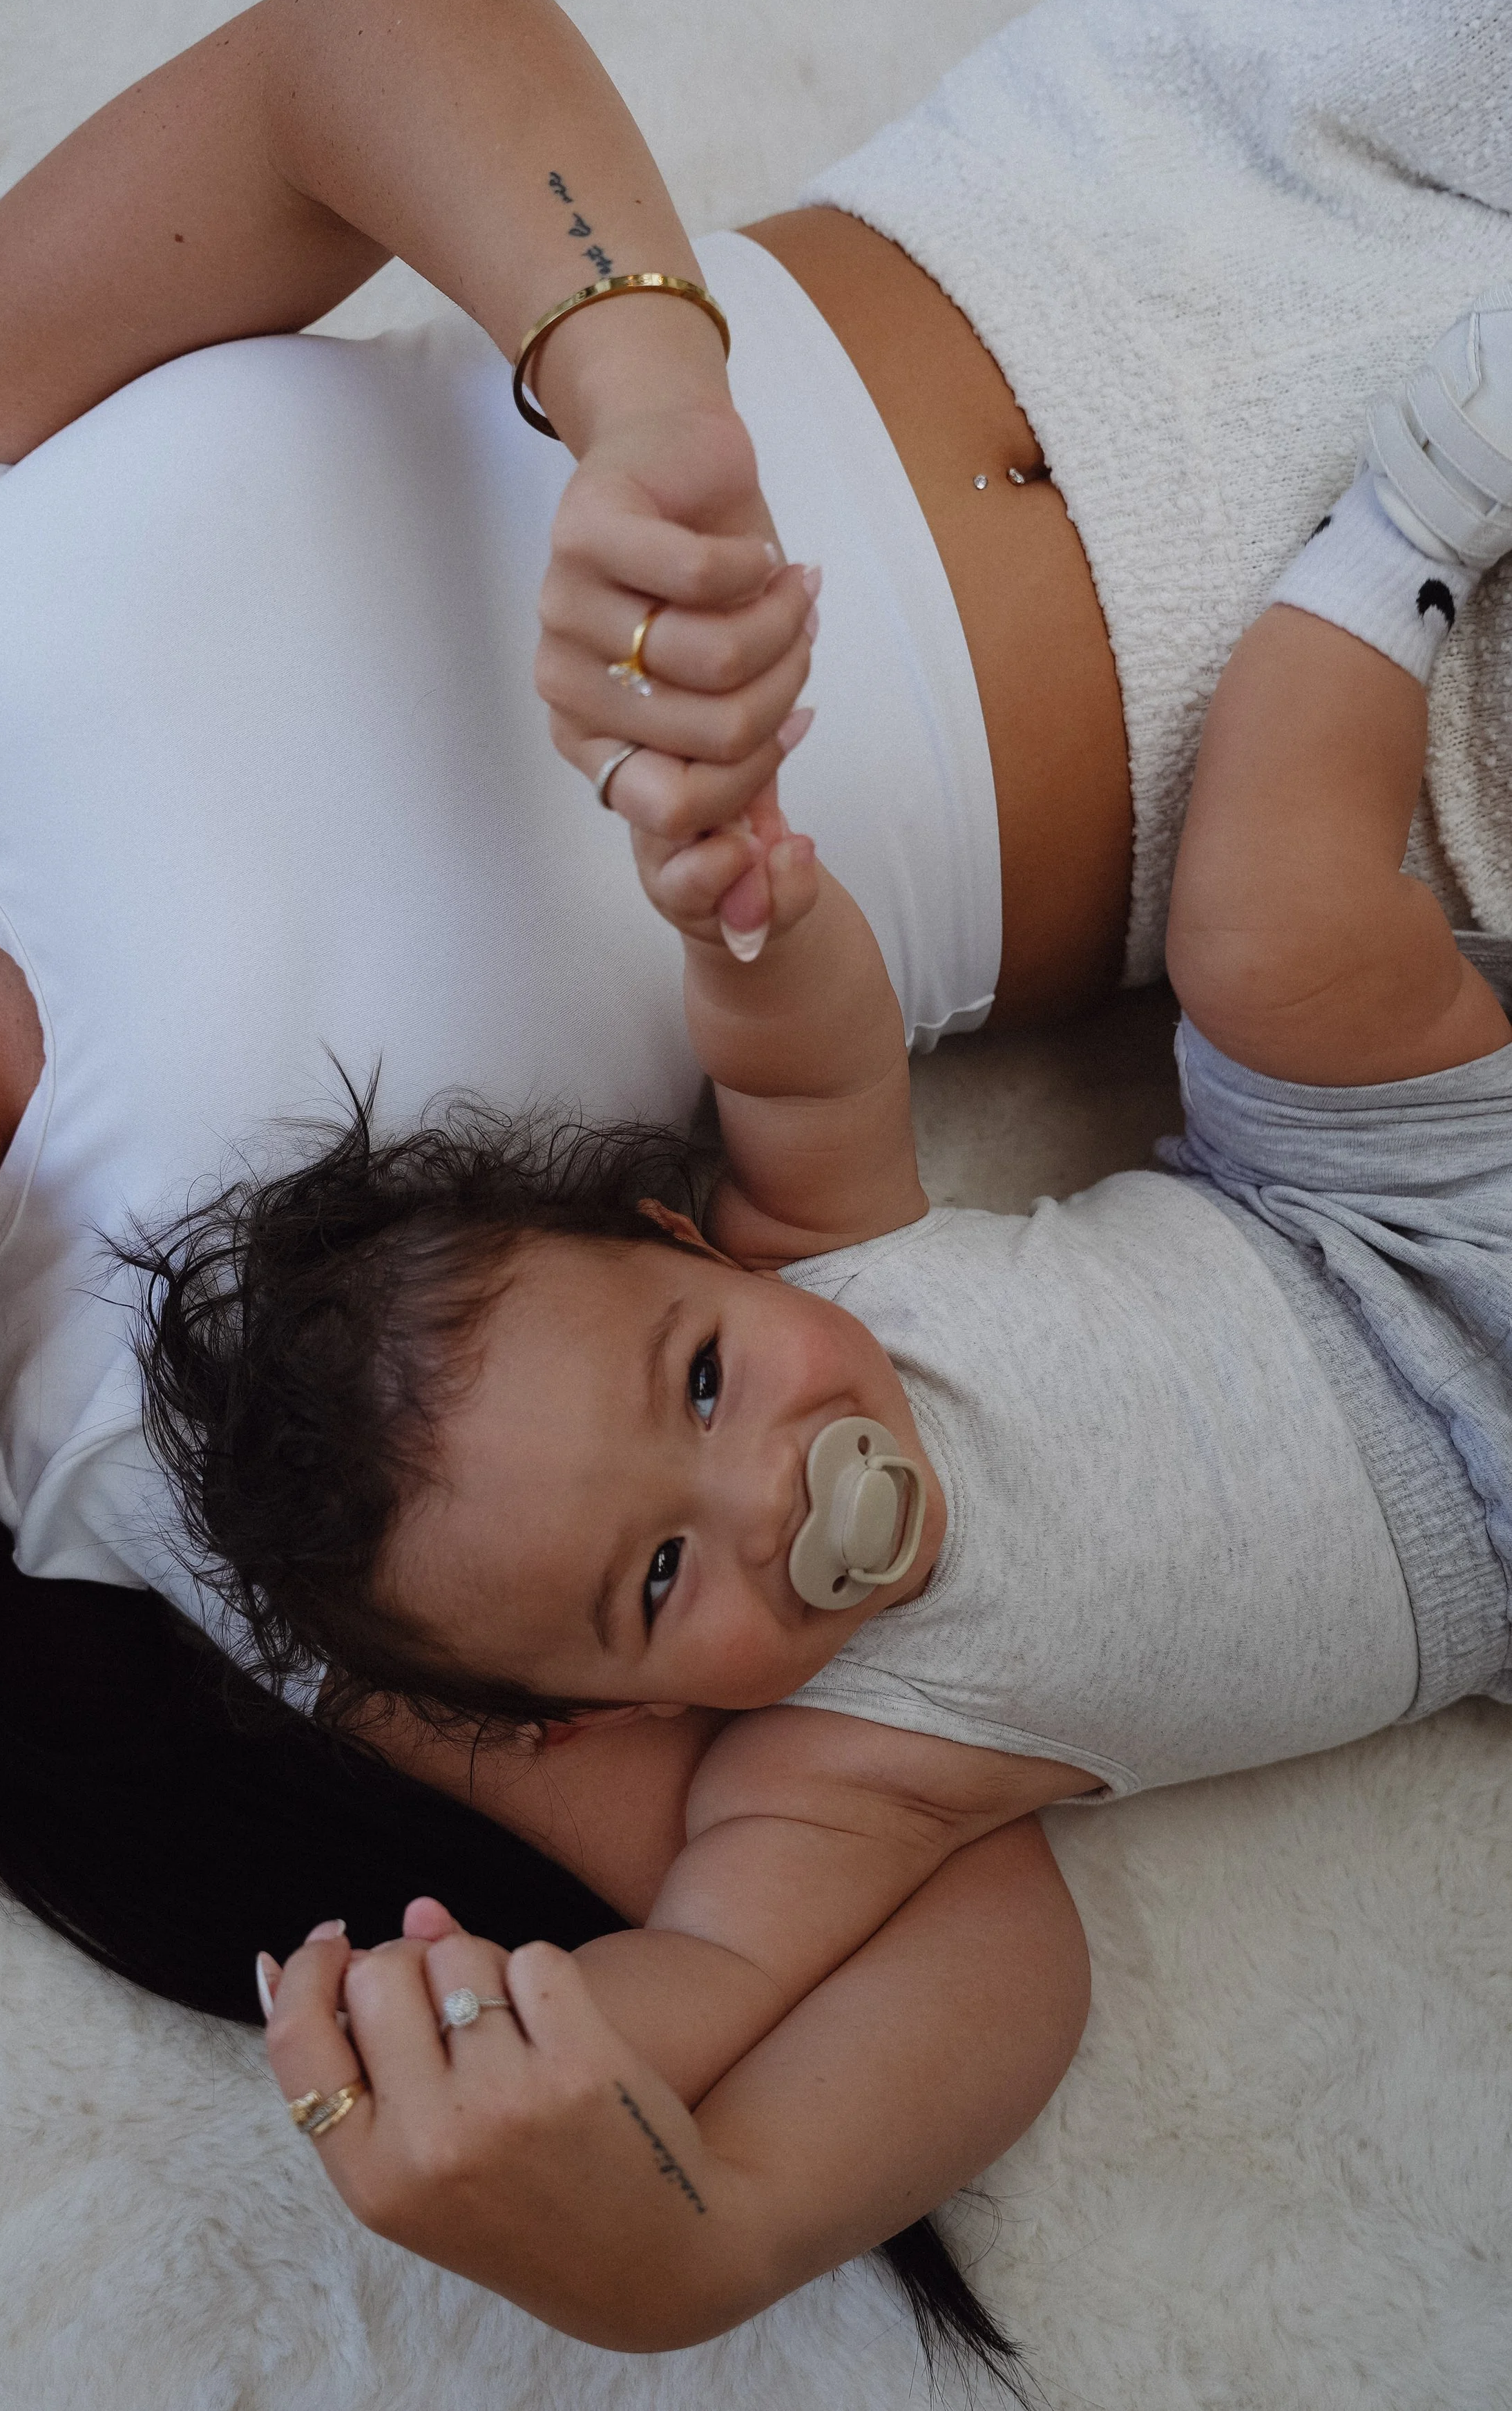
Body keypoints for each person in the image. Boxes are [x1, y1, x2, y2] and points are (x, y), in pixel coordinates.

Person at [0, 0, 1506, 2354]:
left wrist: (632, 384)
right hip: (1421, 782)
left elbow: (350, 41)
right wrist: (708, 2223)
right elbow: (943, 1789)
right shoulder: (171, 1451)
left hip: (1177, 133)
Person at [250, 289, 1512, 2340]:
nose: (768, 1491)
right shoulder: (825, 1772)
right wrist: (505, 2037)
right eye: (658, 1574)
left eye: (702, 1378)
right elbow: (710, 1982)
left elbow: (810, 1063)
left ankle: (1406, 527)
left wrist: (745, 907)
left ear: (694, 1247)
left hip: (1363, 1207)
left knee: (1261, 935)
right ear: (610, 1710)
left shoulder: (819, 1254)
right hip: (1491, 1554)